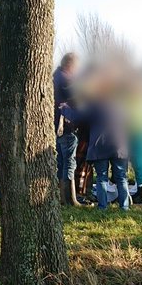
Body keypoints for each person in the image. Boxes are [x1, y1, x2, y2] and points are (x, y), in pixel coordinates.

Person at [59, 71, 132, 212]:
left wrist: (65, 109)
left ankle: (103, 207)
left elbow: (78, 117)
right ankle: (124, 207)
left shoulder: (95, 104)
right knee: (121, 178)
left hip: (100, 145)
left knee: (101, 178)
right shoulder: (121, 105)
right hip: (119, 145)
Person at [53, 53, 83, 207]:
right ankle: (70, 198)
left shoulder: (56, 77)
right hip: (67, 126)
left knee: (61, 162)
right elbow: (79, 100)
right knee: (69, 162)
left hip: (57, 126)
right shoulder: (67, 80)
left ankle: (62, 197)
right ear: (71, 66)